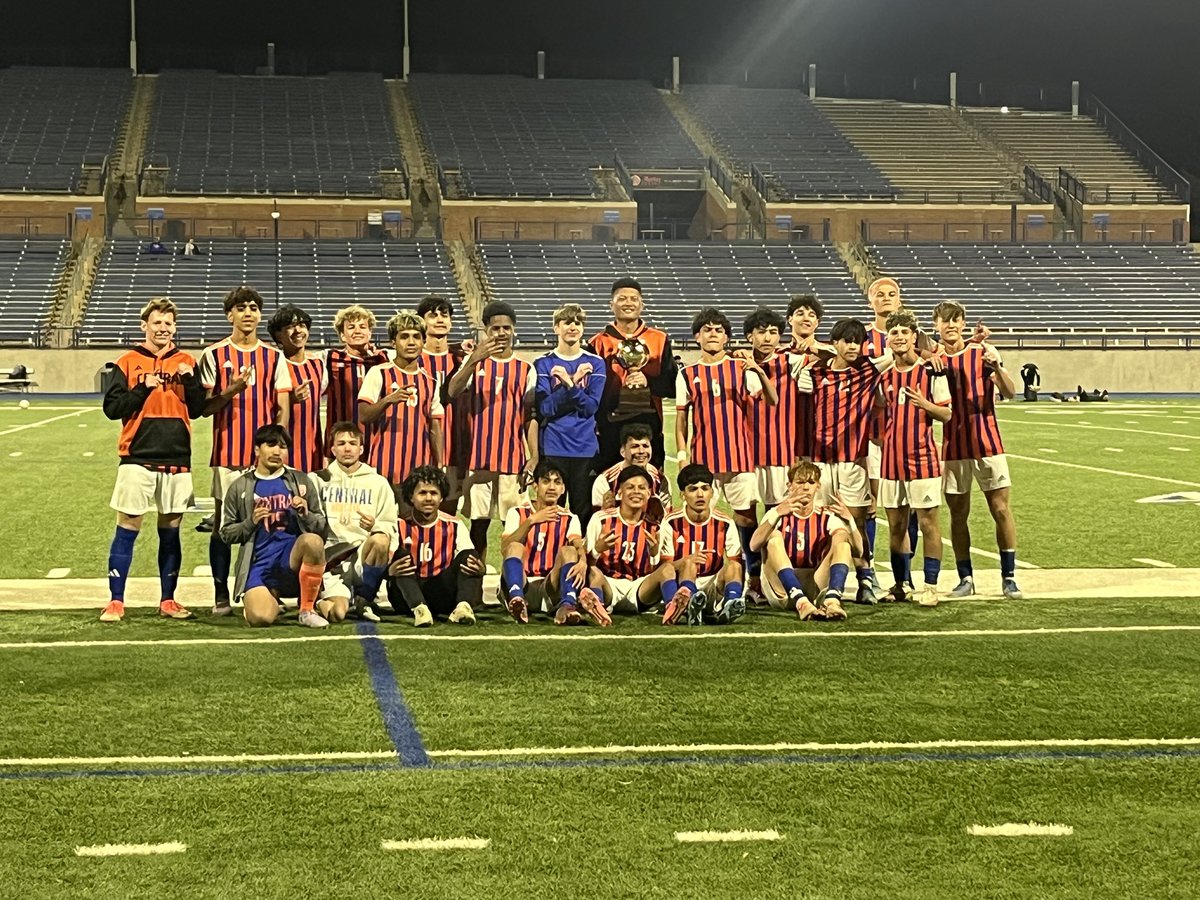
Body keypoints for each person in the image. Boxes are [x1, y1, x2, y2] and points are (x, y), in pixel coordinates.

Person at [99, 297, 207, 623]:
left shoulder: (187, 360)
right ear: (144, 325)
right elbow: (112, 409)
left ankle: (168, 600)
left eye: (168, 323)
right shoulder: (128, 362)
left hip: (177, 455)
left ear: (175, 327)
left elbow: (199, 408)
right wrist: (143, 389)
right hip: (137, 456)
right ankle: (116, 601)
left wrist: (189, 381)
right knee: (128, 526)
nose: (163, 328)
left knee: (171, 530)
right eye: (157, 323)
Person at [199, 286, 292, 615]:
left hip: (263, 459)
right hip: (227, 454)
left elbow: (282, 406)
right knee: (222, 526)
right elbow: (206, 408)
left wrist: (280, 447)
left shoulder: (274, 356)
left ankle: (268, 588)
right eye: (241, 308)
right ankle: (221, 592)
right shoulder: (213, 354)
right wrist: (232, 389)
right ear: (230, 315)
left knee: (271, 522)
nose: (248, 313)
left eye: (254, 307)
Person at [676, 307, 773, 598]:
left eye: (718, 330)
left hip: (739, 456)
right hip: (704, 460)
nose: (713, 334)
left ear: (727, 337)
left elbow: (769, 401)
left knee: (745, 519)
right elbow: (681, 420)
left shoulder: (740, 369)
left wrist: (757, 371)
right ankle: (703, 578)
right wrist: (682, 456)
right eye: (707, 330)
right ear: (697, 336)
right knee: (700, 517)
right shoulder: (688, 374)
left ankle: (753, 578)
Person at [932, 301, 1023, 600]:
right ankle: (965, 578)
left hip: (988, 443)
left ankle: (1009, 577)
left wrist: (996, 365)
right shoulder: (934, 358)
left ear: (964, 324)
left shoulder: (981, 353)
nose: (950, 326)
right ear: (936, 326)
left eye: (956, 320)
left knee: (1000, 509)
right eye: (944, 321)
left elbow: (1010, 392)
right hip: (954, 445)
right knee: (958, 515)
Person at [799, 318, 891, 604]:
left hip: (852, 460)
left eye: (857, 341)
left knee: (856, 522)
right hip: (820, 461)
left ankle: (866, 579)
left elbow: (895, 354)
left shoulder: (867, 369)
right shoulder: (812, 373)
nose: (853, 346)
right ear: (835, 342)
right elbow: (801, 414)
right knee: (819, 523)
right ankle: (822, 579)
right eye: (847, 341)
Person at [447, 301, 537, 559]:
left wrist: (535, 455)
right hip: (479, 460)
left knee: (515, 525)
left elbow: (529, 416)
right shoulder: (475, 364)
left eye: (506, 328)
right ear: (486, 330)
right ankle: (476, 582)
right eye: (495, 328)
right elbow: (452, 391)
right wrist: (473, 359)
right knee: (479, 523)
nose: (501, 333)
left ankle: (511, 582)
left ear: (514, 330)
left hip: (512, 460)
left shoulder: (525, 369)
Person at [218, 425, 329, 629]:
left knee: (313, 542)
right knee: (260, 618)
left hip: (291, 561)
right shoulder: (240, 486)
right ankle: (265, 600)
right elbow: (225, 534)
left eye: (283, 447)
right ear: (257, 450)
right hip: (260, 564)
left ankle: (306, 610)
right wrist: (250, 522)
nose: (277, 452)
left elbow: (322, 529)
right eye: (270, 445)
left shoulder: (302, 480)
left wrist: (306, 514)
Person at [879, 310, 953, 606]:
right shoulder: (884, 377)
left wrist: (925, 404)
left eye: (904, 332)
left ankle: (931, 586)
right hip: (890, 462)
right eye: (893, 332)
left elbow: (947, 414)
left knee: (928, 524)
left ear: (914, 336)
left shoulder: (931, 371)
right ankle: (900, 584)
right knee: (896, 526)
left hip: (922, 459)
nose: (899, 337)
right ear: (888, 339)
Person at [500, 460, 610, 627]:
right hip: (522, 583)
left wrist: (582, 560)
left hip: (550, 586)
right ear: (535, 486)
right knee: (515, 546)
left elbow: (578, 544)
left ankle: (567, 605)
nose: (551, 487)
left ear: (563, 489)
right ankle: (517, 600)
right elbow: (504, 548)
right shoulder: (517, 513)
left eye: (557, 482)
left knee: (569, 550)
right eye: (546, 481)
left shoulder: (569, 518)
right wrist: (531, 521)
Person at [313, 421, 397, 623]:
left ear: (361, 448)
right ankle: (317, 601)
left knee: (380, 540)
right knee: (337, 614)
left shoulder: (378, 482)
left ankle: (365, 598)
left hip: (363, 556)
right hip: (332, 561)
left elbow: (391, 526)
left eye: (352, 443)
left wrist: (375, 526)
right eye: (341, 443)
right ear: (332, 449)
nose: (347, 448)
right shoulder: (318, 479)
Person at [588, 278, 677, 469]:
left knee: (648, 488)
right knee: (610, 487)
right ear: (611, 305)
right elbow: (592, 391)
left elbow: (672, 386)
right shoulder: (597, 342)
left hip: (650, 425)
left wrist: (649, 381)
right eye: (622, 299)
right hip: (610, 427)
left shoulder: (659, 339)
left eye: (634, 299)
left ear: (642, 304)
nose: (628, 303)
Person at [749, 461, 854, 621]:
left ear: (818, 486)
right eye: (800, 482)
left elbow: (859, 550)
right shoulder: (777, 513)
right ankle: (800, 601)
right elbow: (753, 545)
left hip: (814, 586)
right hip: (781, 591)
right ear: (789, 486)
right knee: (774, 539)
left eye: (811, 483)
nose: (805, 488)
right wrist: (777, 513)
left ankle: (832, 600)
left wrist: (851, 522)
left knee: (842, 540)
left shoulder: (825, 516)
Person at [535, 303, 606, 527]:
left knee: (582, 511)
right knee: (550, 511)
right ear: (556, 328)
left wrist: (569, 383)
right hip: (553, 446)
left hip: (584, 448)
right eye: (567, 322)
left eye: (578, 322)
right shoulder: (543, 363)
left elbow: (590, 407)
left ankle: (580, 560)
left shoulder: (595, 363)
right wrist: (574, 384)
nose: (573, 326)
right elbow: (546, 409)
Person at [388, 466, 485, 627]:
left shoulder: (454, 525)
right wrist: (389, 572)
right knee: (400, 557)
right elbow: (383, 566)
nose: (428, 498)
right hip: (406, 597)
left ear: (441, 498)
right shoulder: (399, 525)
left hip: (441, 593)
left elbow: (471, 560)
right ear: (411, 497)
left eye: (433, 493)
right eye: (422, 493)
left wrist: (481, 571)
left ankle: (463, 607)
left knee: (469, 557)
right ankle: (419, 609)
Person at [358, 312, 444, 490]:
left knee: (412, 517)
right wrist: (389, 400)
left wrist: (440, 464)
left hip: (418, 467)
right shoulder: (379, 373)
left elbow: (435, 426)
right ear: (393, 342)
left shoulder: (430, 381)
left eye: (416, 337)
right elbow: (364, 415)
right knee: (381, 518)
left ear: (423, 342)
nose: (411, 342)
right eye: (404, 337)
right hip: (383, 465)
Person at [657, 464, 746, 626]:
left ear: (712, 492)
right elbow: (665, 568)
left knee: (734, 566)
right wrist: (686, 560)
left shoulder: (724, 522)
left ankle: (731, 603)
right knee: (689, 563)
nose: (700, 494)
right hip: (682, 583)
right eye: (693, 489)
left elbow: (736, 561)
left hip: (712, 584)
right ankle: (688, 601)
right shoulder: (671, 522)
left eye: (705, 488)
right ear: (682, 494)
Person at [585, 465, 673, 618]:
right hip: (608, 584)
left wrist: (653, 554)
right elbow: (587, 563)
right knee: (594, 572)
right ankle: (597, 605)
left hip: (640, 587)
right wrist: (597, 550)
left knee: (668, 569)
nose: (636, 492)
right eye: (630, 487)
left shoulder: (658, 525)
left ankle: (674, 607)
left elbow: (656, 570)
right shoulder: (601, 519)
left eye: (641, 488)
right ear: (619, 492)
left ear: (649, 492)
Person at [417, 294, 471, 512]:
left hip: (455, 445)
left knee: (448, 509)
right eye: (432, 315)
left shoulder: (462, 359)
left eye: (444, 315)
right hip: (420, 445)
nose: (439, 319)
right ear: (422, 321)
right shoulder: (411, 357)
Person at [324, 305, 389, 456]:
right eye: (351, 327)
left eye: (363, 326)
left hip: (376, 438)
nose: (358, 331)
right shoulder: (330, 358)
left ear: (370, 332)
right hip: (342, 440)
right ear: (342, 335)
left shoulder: (384, 358)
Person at [268, 304, 326, 473]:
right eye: (290, 327)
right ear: (278, 335)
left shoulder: (318, 364)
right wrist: (290, 399)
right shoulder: (273, 365)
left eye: (301, 325)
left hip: (313, 449)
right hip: (284, 448)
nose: (298, 331)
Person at [590, 422, 671, 514]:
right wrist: (604, 509)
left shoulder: (660, 479)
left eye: (645, 446)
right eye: (635, 446)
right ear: (623, 451)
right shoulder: (605, 480)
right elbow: (596, 520)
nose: (641, 451)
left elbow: (666, 517)